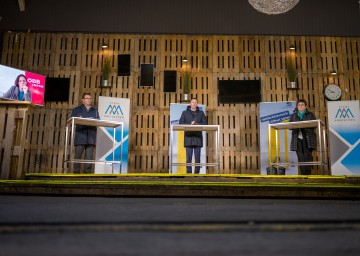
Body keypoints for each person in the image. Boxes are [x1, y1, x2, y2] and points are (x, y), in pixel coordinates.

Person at [71, 92, 100, 174]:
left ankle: (87, 173)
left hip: (91, 136)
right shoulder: (76, 110)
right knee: (78, 156)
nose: (89, 100)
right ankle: (76, 172)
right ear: (83, 100)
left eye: (90, 98)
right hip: (80, 136)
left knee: (89, 157)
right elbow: (73, 120)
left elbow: (98, 120)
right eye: (87, 98)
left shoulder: (95, 110)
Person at [179, 98, 208, 174]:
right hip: (188, 138)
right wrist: (189, 124)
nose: (194, 103)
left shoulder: (201, 113)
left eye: (195, 102)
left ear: (197, 104)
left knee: (197, 158)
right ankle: (188, 173)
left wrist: (197, 124)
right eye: (192, 102)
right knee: (188, 158)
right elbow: (181, 123)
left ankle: (197, 173)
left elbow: (205, 124)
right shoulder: (184, 113)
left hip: (198, 138)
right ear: (190, 103)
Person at [289, 99, 317, 175]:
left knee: (307, 157)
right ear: (297, 107)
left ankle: (308, 175)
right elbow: (290, 126)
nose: (300, 106)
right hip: (297, 138)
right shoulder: (293, 115)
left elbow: (315, 125)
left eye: (302, 105)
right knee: (300, 158)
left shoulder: (310, 115)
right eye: (299, 105)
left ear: (305, 106)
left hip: (308, 138)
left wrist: (305, 126)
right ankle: (303, 175)